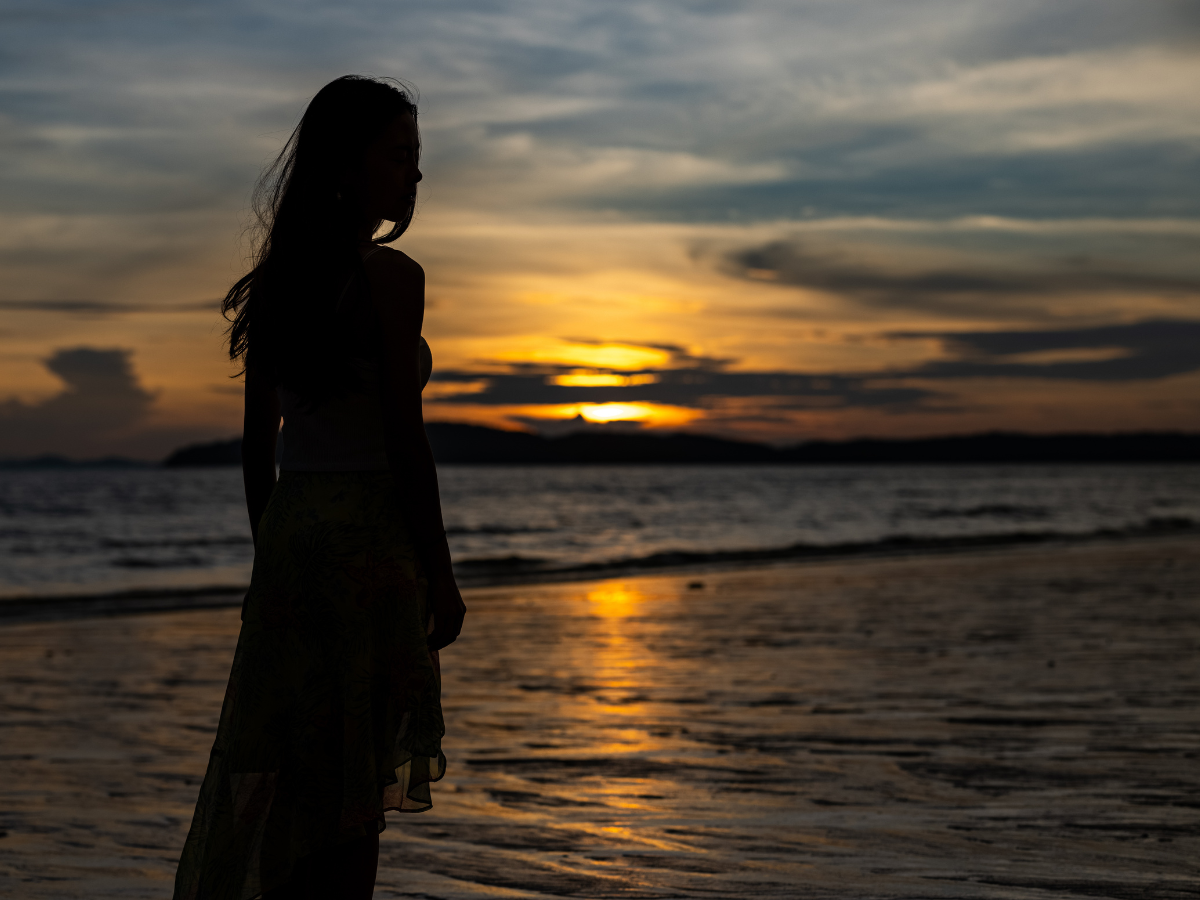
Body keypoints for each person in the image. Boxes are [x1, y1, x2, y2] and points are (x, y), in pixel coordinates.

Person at [173, 75, 466, 900]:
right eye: (401, 155)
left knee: (288, 766)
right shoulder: (389, 278)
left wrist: (271, 546)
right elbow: (405, 442)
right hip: (368, 539)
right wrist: (440, 574)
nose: (415, 176)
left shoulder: (281, 282)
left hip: (294, 530)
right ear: (349, 165)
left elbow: (255, 442)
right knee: (352, 786)